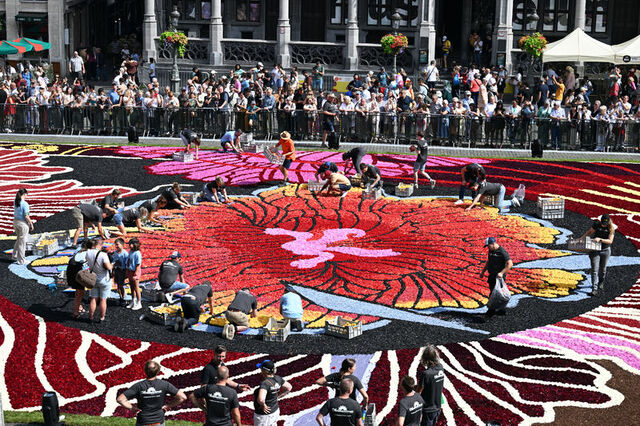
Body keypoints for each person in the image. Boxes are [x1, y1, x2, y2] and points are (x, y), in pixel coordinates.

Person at [116, 360, 187, 426]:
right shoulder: (164, 384)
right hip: (158, 422)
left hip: (143, 421)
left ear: (145, 371)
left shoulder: (139, 386)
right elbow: (182, 397)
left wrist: (133, 408)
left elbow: (120, 399)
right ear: (158, 371)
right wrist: (168, 406)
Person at [580, 214, 616, 296]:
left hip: (605, 250)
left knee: (603, 269)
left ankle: (601, 282)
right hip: (595, 249)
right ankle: (594, 288)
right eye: (602, 223)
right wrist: (582, 238)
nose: (603, 225)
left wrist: (600, 239)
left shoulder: (611, 228)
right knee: (594, 269)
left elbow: (610, 241)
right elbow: (589, 232)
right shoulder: (596, 224)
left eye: (605, 224)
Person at [480, 237, 513, 316]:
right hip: (492, 275)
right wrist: (483, 272)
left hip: (499, 277)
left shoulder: (502, 252)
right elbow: (489, 261)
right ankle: (498, 309)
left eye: (489, 246)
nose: (488, 248)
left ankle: (493, 310)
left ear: (493, 244)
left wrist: (501, 273)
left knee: (497, 293)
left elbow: (510, 264)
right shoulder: (491, 251)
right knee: (493, 292)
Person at [253, 360, 292, 426]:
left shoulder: (265, 383)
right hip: (275, 410)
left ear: (264, 371)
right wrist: (278, 396)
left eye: (261, 369)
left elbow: (261, 399)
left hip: (264, 416)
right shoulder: (278, 378)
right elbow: (289, 387)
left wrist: (263, 405)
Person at [417, 345, 445, 426]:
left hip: (427, 410)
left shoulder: (426, 374)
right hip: (437, 407)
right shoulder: (441, 368)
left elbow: (418, 393)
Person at [86, 237, 113, 323]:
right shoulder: (103, 255)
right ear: (101, 245)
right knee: (103, 299)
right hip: (104, 279)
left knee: (93, 299)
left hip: (93, 279)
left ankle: (91, 317)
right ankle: (102, 318)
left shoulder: (88, 252)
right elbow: (108, 267)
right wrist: (112, 264)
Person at [12, 188, 33, 265]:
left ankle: (14, 256)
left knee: (18, 240)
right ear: (24, 194)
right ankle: (21, 260)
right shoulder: (25, 204)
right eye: (26, 195)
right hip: (23, 224)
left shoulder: (15, 201)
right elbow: (26, 216)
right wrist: (31, 223)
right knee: (22, 243)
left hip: (15, 222)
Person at [126, 237, 143, 311]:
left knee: (136, 287)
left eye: (131, 244)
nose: (130, 245)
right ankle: (133, 300)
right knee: (132, 287)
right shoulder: (130, 251)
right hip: (130, 270)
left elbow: (138, 264)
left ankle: (139, 303)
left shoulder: (137, 253)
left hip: (135, 271)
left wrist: (135, 273)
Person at [112, 237, 129, 307]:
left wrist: (126, 273)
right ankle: (120, 297)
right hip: (117, 270)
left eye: (117, 244)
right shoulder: (115, 253)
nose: (116, 246)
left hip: (122, 271)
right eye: (115, 245)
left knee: (121, 285)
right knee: (118, 285)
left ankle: (123, 298)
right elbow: (113, 261)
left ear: (122, 245)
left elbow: (127, 264)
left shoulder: (125, 253)